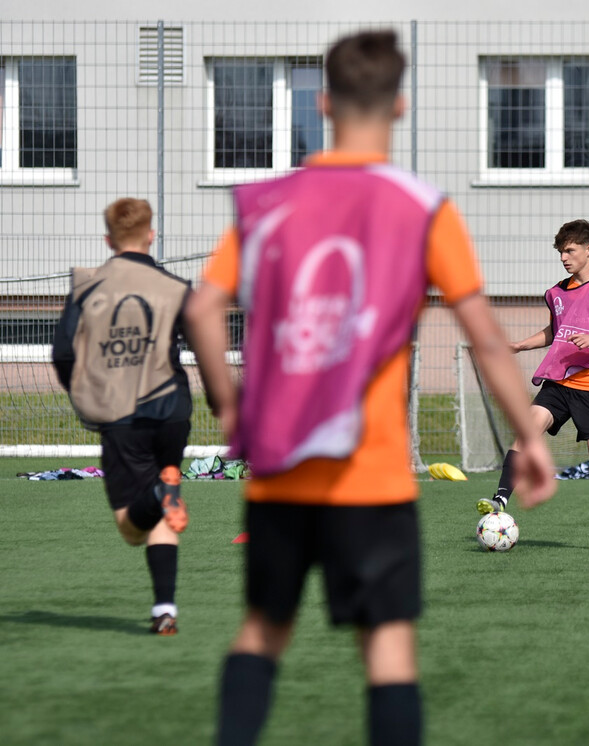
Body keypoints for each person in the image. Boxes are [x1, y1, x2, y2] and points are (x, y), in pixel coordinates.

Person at [185, 30, 555, 746]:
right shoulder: (422, 207)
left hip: (280, 474)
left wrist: (228, 402)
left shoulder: (268, 202)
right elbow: (482, 335)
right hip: (373, 478)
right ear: (400, 106)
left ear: (321, 103)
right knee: (387, 652)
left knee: (261, 633)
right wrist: (530, 437)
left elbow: (201, 307)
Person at [51, 197, 191, 635]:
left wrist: (87, 390)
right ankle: (164, 610)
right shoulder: (175, 284)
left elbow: (62, 353)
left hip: (122, 412)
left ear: (108, 240)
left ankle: (157, 496)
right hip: (173, 411)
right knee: (163, 498)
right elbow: (202, 334)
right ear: (152, 234)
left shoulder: (90, 286)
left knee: (133, 528)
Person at [477, 219, 589, 551]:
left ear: (588, 249)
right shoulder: (556, 293)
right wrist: (520, 345)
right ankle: (500, 501)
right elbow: (557, 331)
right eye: (561, 252)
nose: (565, 258)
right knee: (527, 430)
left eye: (570, 250)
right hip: (559, 381)